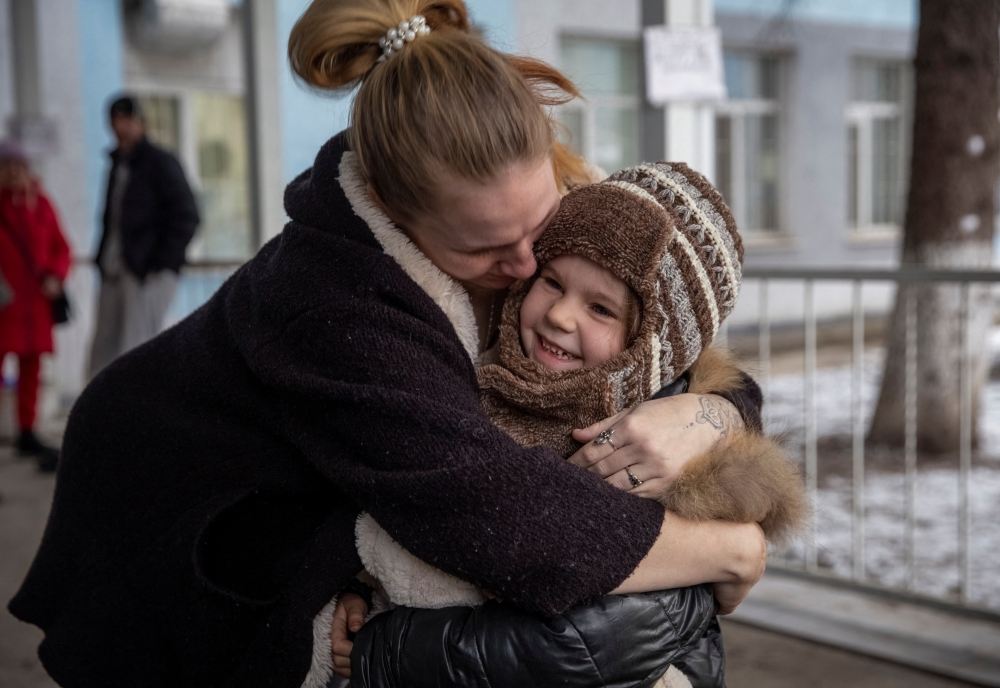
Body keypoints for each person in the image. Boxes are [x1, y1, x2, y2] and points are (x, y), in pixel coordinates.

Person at [9, 2, 767, 686]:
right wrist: (732, 550)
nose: (527, 266)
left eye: (540, 227)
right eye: (485, 250)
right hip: (170, 504)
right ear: (392, 209)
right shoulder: (334, 306)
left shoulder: (534, 206)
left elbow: (677, 345)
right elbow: (501, 520)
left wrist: (710, 414)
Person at [350, 164, 807, 688]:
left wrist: (381, 649)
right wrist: (361, 588)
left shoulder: (660, 461)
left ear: (656, 346)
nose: (561, 316)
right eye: (551, 282)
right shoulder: (477, 374)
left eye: (602, 309)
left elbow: (589, 643)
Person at [87, 95, 199, 379]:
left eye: (127, 120)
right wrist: (103, 260)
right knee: (104, 351)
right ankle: (100, 405)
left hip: (145, 273)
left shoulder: (160, 163)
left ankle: (134, 406)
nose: (121, 127)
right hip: (116, 269)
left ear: (142, 124)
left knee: (136, 348)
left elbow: (187, 215)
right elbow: (112, 220)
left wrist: (162, 264)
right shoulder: (117, 165)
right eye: (116, 120)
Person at [0, 139, 71, 473]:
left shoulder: (41, 204)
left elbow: (61, 248)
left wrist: (56, 275)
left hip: (36, 306)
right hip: (5, 306)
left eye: (19, 166)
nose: (14, 173)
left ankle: (26, 432)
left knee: (32, 371)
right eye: (7, 166)